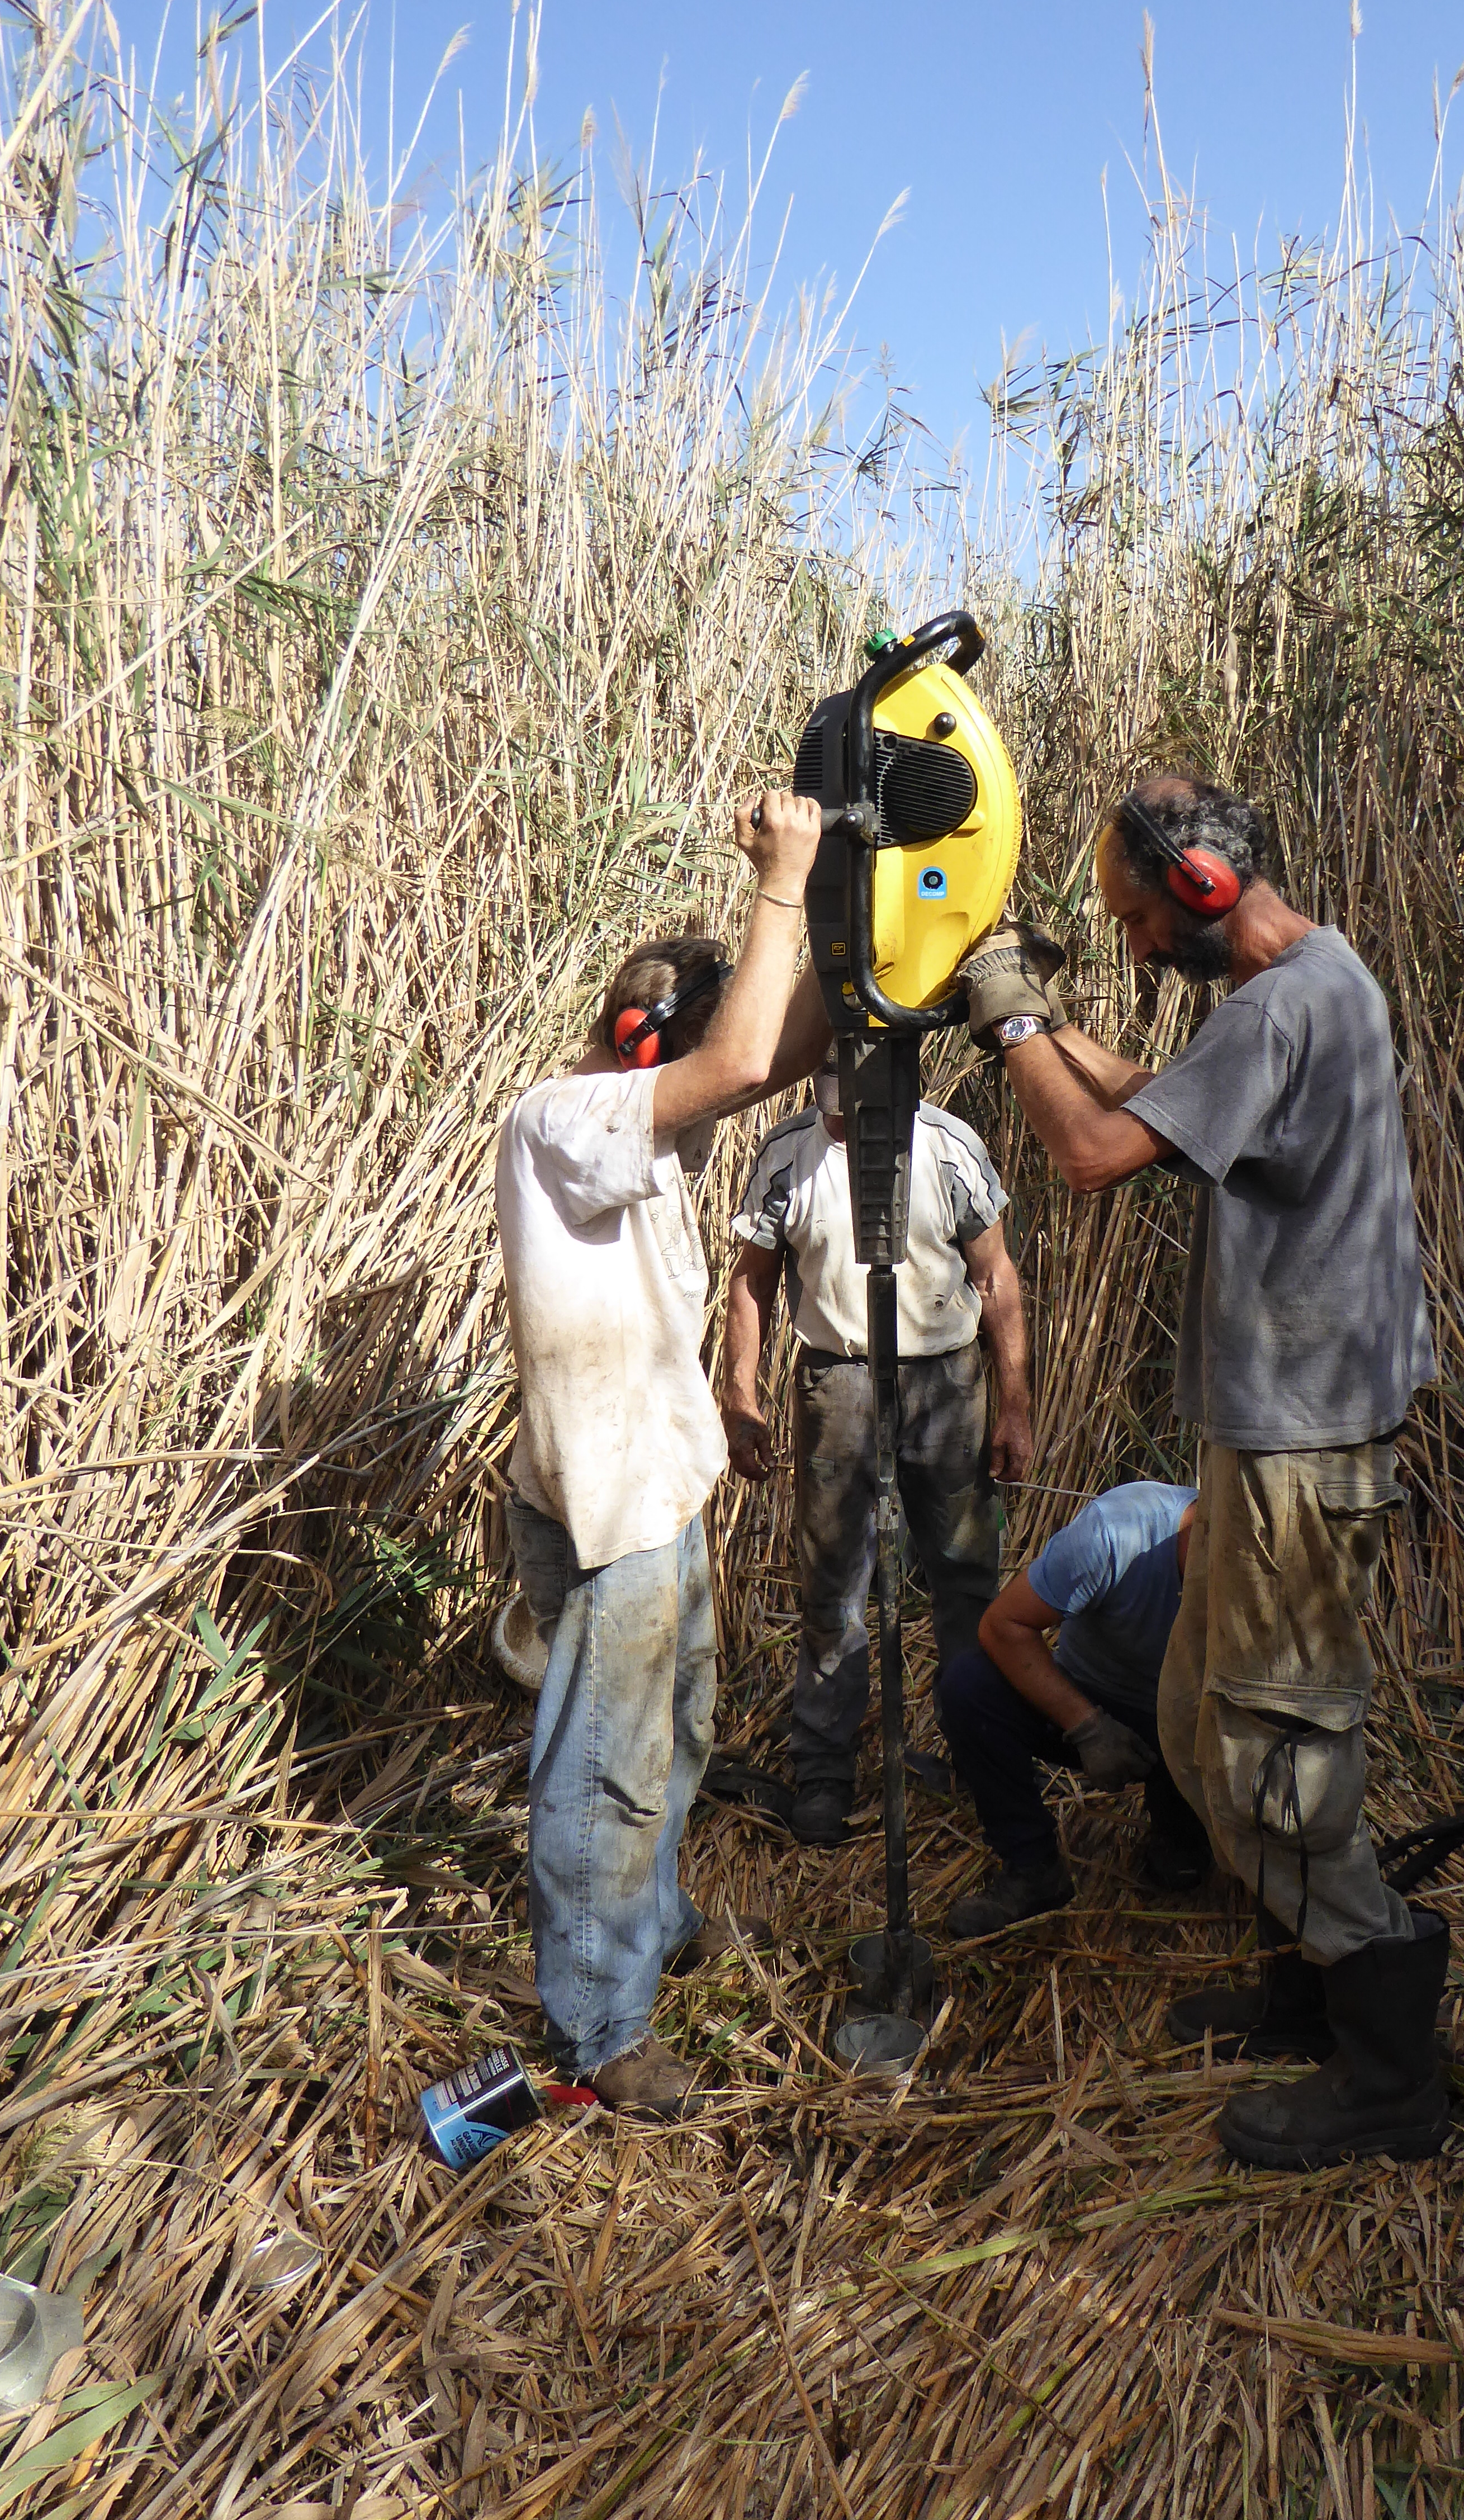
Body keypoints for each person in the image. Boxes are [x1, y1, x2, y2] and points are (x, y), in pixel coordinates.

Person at [960, 773, 1443, 2171]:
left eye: (1132, 920)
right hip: (1271, 1434)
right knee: (1193, 1714)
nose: (1129, 948)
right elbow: (1161, 1102)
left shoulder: (1283, 1006)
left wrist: (1014, 1018)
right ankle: (1303, 1989)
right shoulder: (1307, 986)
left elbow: (1097, 1149)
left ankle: (1386, 2072)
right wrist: (1049, 1031)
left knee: (1273, 1753)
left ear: (1203, 889)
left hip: (1303, 1448)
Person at [496, 787, 828, 2120]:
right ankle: (596, 2024)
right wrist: (780, 884)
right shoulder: (563, 1118)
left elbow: (776, 1046)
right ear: (647, 1043)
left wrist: (866, 940)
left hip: (655, 1480)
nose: (707, 1091)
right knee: (604, 1764)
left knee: (674, 1731)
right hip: (610, 1501)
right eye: (683, 1060)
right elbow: (746, 1061)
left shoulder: (642, 1138)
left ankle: (650, 1921)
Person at [720, 1063, 1032, 1845]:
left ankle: (978, 1756)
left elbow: (995, 1277)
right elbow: (751, 1283)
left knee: (966, 1582)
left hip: (947, 1382)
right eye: (832, 1109)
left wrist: (1015, 1405)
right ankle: (825, 1776)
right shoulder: (788, 1157)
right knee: (831, 1589)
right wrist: (742, 1397)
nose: (845, 1125)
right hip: (840, 1380)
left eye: (860, 1110)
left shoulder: (948, 1148)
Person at [936, 1480, 1211, 1937]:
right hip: (1091, 1695)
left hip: (1195, 1726)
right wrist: (1086, 1726)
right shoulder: (1118, 1531)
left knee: (1183, 1873)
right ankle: (1032, 1867)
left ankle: (1182, 1833)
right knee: (968, 1685)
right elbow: (1004, 1625)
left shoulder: (1270, 1574)